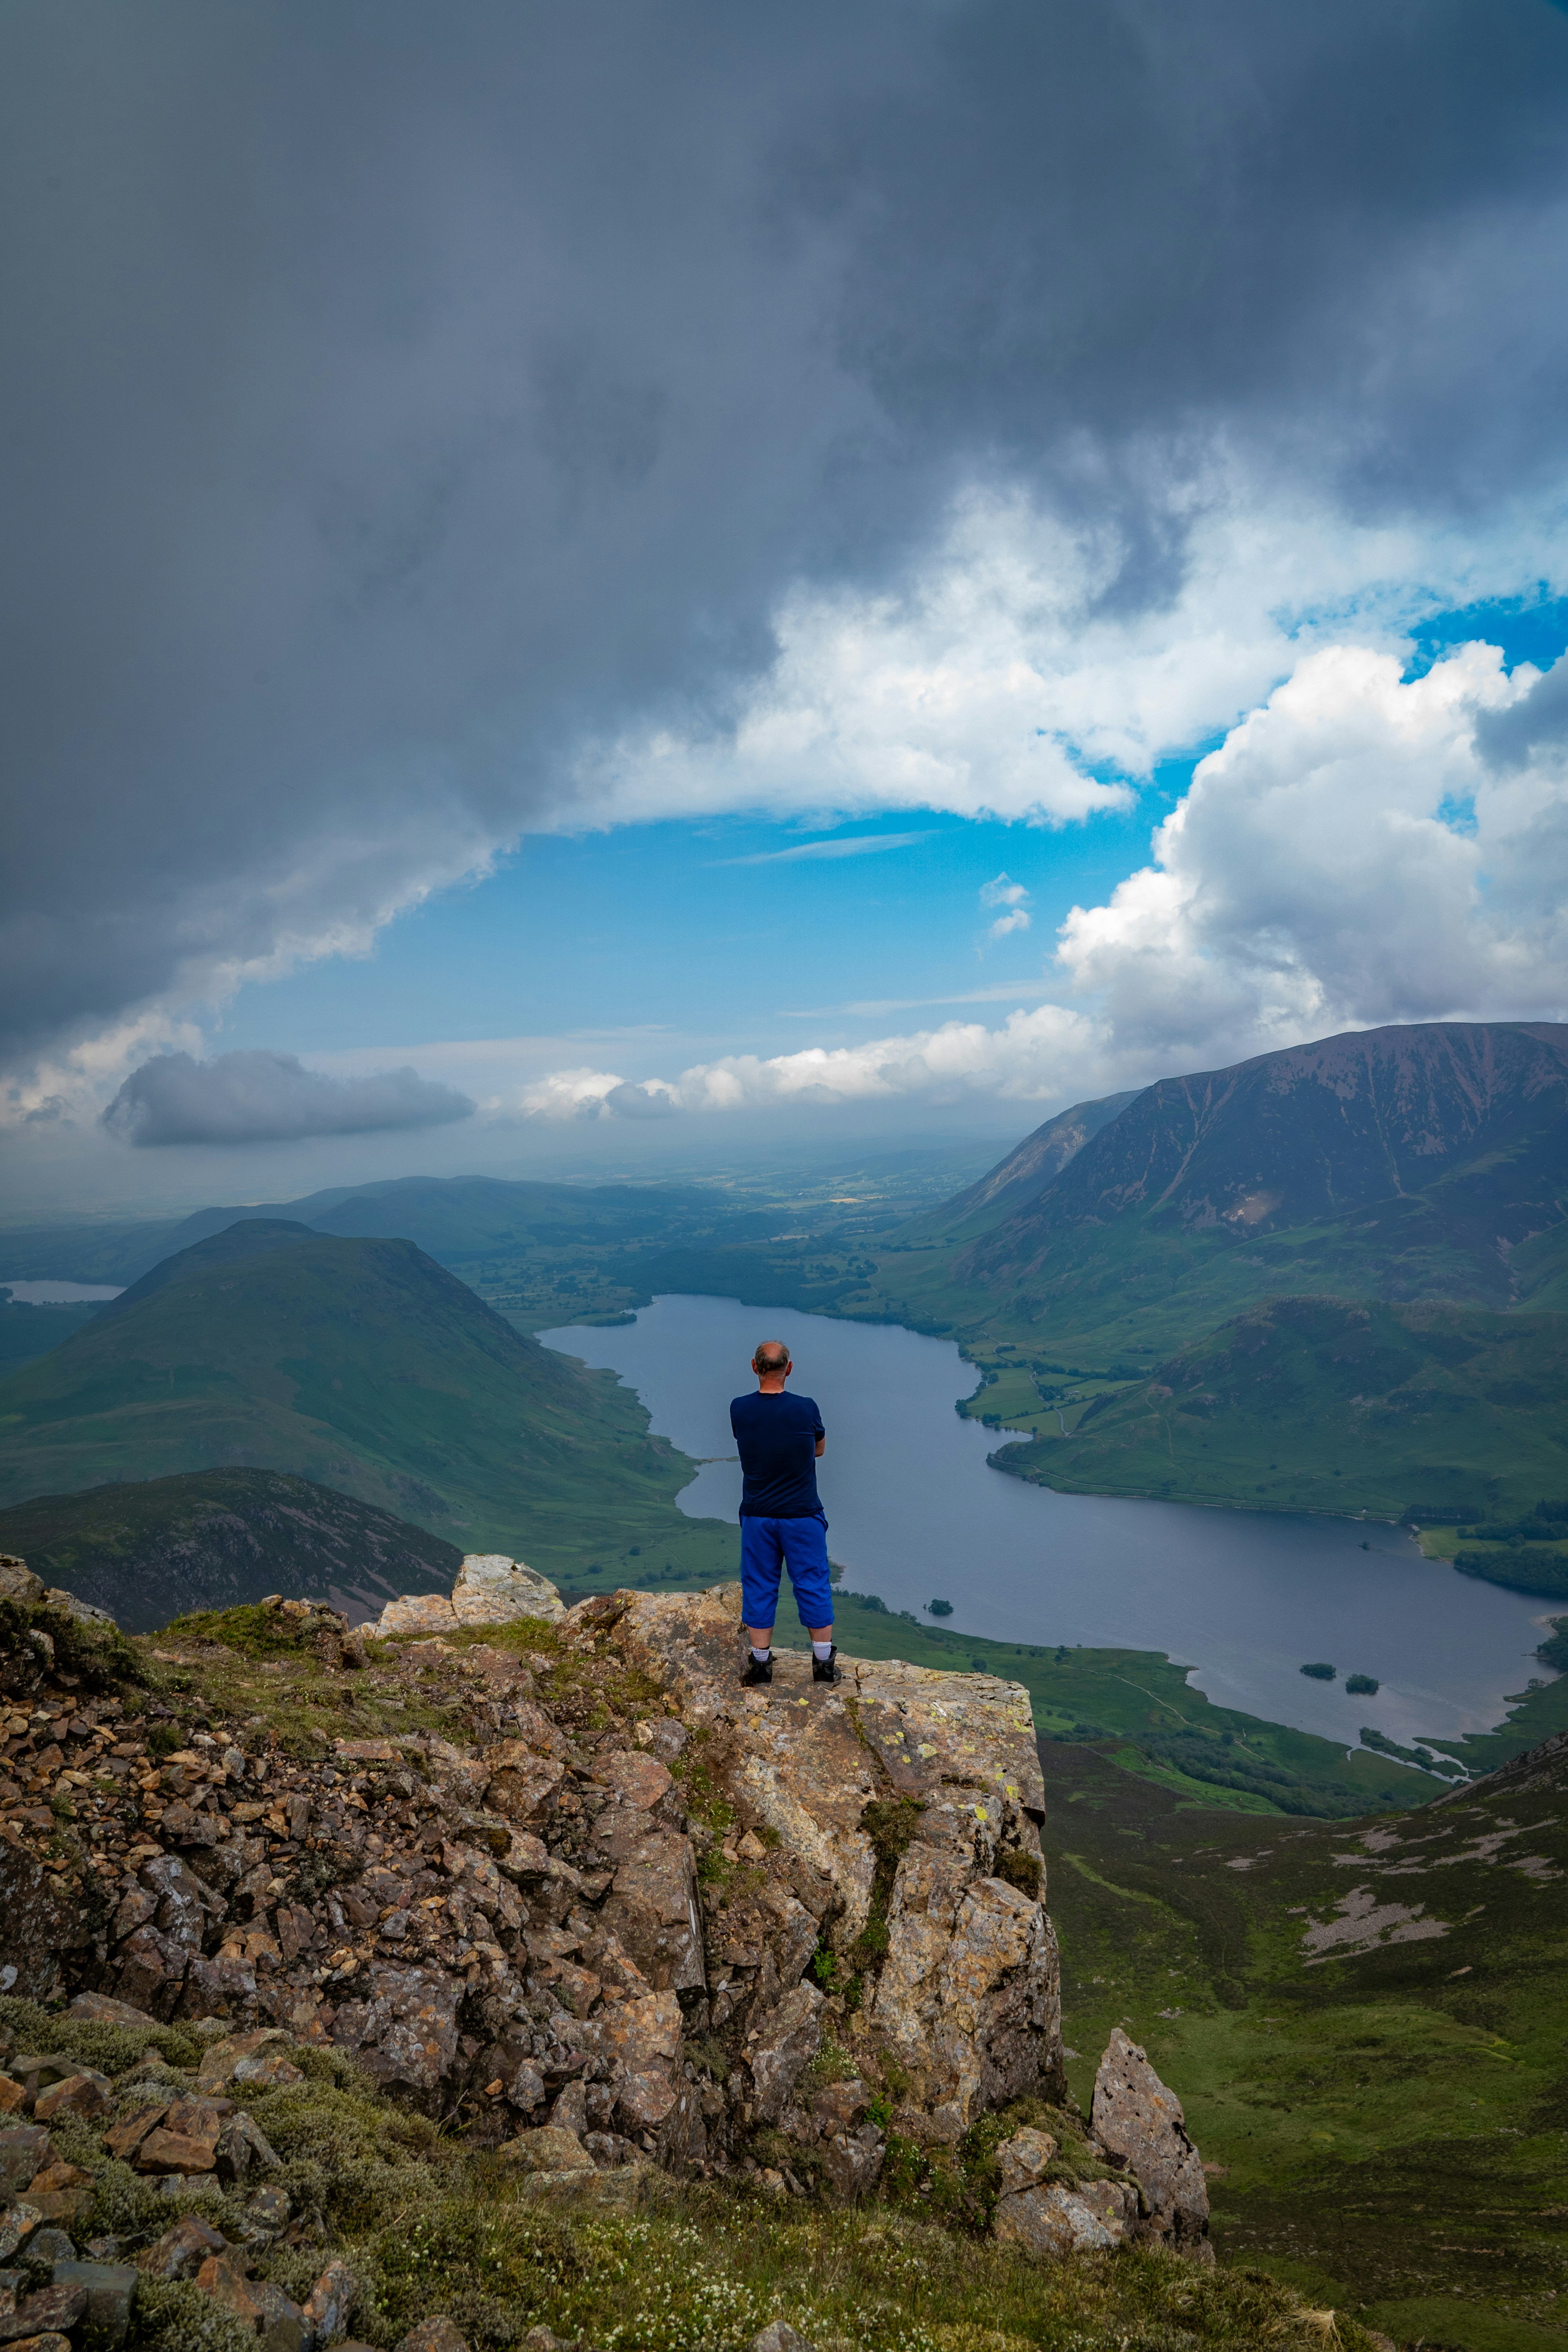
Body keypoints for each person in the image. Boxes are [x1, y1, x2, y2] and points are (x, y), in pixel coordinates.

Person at [730, 1338, 836, 1687]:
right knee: (813, 1583)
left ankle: (761, 1665)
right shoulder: (806, 1408)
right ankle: (822, 1666)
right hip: (802, 1515)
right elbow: (817, 1449)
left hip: (759, 1515)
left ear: (754, 1367)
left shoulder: (740, 1409)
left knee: (760, 1584)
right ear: (789, 1368)